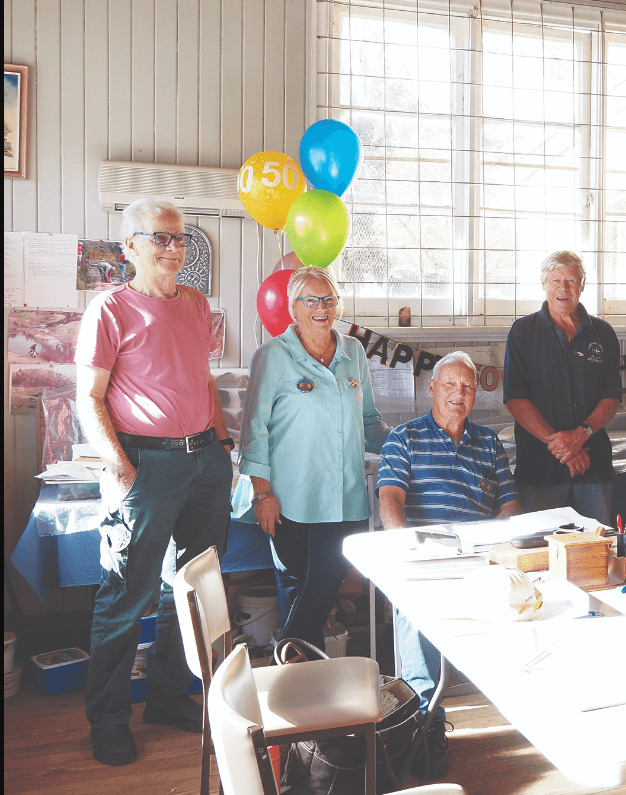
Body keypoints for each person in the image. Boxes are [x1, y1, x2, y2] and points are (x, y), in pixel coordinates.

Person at [75, 198, 233, 766]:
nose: (173, 249)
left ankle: (168, 697)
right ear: (130, 248)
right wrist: (119, 466)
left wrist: (223, 446)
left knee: (188, 588)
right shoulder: (109, 308)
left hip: (204, 463)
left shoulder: (195, 304)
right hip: (145, 465)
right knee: (126, 596)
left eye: (180, 239)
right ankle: (108, 718)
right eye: (159, 238)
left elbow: (204, 381)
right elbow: (89, 397)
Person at [378, 351, 521, 778]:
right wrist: (410, 549)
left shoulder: (489, 442)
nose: (459, 393)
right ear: (432, 389)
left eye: (468, 386)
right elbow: (390, 500)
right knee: (416, 615)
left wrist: (493, 538)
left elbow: (510, 504)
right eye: (450, 385)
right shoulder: (404, 438)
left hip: (479, 558)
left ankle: (530, 710)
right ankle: (426, 733)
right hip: (424, 558)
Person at [234, 266, 390, 650]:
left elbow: (370, 421)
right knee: (297, 586)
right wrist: (262, 493)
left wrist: (411, 444)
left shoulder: (353, 352)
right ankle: (301, 681)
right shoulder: (272, 355)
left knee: (324, 582)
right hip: (289, 499)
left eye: (329, 299)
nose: (322, 307)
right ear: (293, 308)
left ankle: (284, 668)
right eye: (311, 300)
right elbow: (253, 429)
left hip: (345, 496)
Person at [503, 251, 621, 524]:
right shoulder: (522, 332)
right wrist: (562, 446)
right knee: (540, 552)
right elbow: (515, 398)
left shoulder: (603, 334)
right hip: (539, 469)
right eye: (556, 280)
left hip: (594, 468)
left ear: (582, 284)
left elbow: (611, 396)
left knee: (597, 550)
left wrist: (580, 436)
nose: (563, 288)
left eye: (571, 280)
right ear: (544, 284)